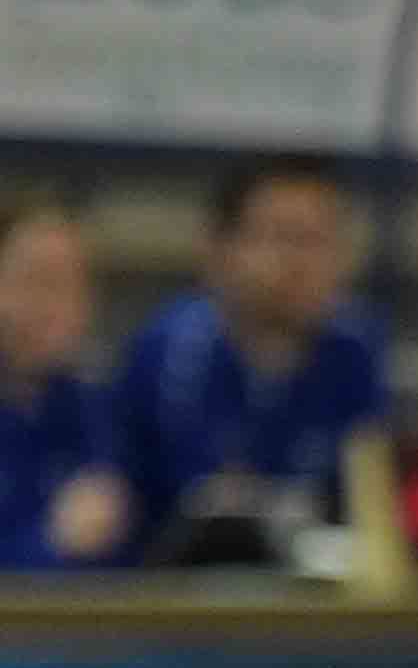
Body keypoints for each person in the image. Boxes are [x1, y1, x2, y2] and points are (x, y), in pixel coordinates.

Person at [110, 157, 391, 564]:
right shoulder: (169, 353)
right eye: (282, 237)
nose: (301, 263)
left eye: (320, 240)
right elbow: (178, 514)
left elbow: (368, 505)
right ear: (219, 249)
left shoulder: (357, 350)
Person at [0, 203, 130, 572]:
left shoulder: (100, 408)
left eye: (75, 285)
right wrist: (49, 544)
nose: (56, 305)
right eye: (37, 280)